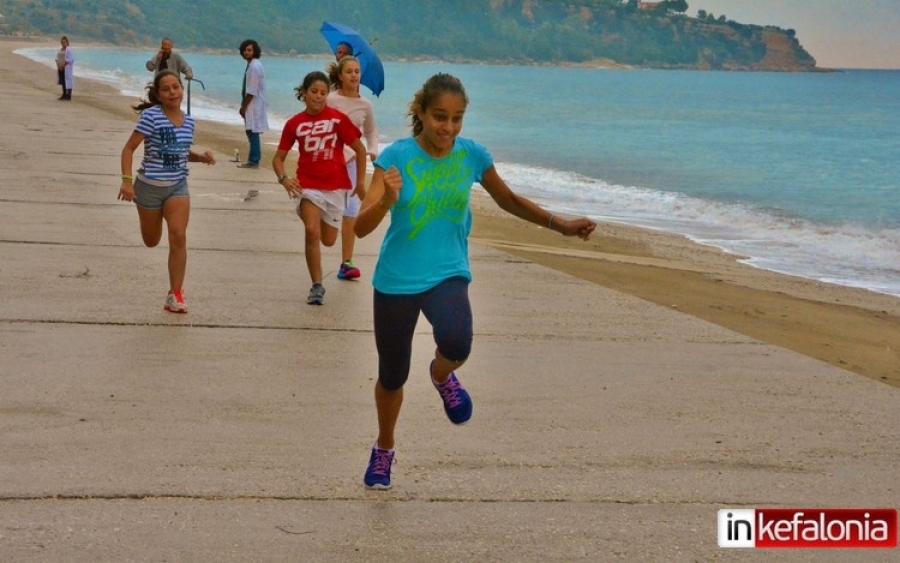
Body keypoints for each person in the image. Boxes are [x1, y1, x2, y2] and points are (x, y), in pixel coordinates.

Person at [354, 73, 597, 489]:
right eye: (439, 117)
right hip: (396, 279)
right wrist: (388, 200)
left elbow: (509, 200)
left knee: (457, 341)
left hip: (448, 270)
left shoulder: (471, 155)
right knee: (392, 375)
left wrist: (560, 225)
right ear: (421, 114)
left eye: (457, 118)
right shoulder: (395, 157)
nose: (448, 128)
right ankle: (385, 448)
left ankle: (442, 375)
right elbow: (360, 227)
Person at [118, 70, 216, 313]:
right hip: (148, 188)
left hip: (177, 187)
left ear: (182, 90)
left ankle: (175, 294)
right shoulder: (151, 117)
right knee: (152, 241)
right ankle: (173, 290)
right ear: (159, 95)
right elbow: (128, 149)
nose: (173, 92)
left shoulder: (189, 121)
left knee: (178, 235)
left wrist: (200, 157)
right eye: (166, 89)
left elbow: (181, 152)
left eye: (176, 87)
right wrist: (127, 182)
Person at [271, 71, 367, 306]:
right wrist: (284, 179)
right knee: (311, 231)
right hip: (308, 186)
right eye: (314, 91)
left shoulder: (338, 119)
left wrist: (361, 182)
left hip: (336, 187)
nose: (318, 97)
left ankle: (320, 277)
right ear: (304, 93)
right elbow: (278, 158)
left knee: (328, 240)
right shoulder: (294, 123)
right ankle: (316, 286)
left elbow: (360, 150)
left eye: (323, 93)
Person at [326, 55, 379, 281]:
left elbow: (370, 131)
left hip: (353, 163)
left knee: (351, 211)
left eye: (357, 71)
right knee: (326, 208)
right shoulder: (330, 99)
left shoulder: (365, 104)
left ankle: (346, 263)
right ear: (340, 75)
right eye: (349, 71)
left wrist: (373, 149)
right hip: (329, 161)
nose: (354, 75)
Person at [237, 39, 269, 168]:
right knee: (251, 131)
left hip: (253, 104)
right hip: (254, 103)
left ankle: (254, 160)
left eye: (249, 50)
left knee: (253, 131)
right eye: (245, 50)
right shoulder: (253, 65)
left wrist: (243, 107)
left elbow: (251, 90)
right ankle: (253, 158)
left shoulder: (254, 67)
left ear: (255, 51)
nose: (246, 52)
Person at [56, 36, 74, 101]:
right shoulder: (60, 49)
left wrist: (63, 66)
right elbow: (58, 58)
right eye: (61, 42)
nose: (63, 44)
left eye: (64, 42)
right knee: (63, 82)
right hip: (60, 68)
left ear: (67, 42)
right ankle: (63, 95)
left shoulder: (69, 49)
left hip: (66, 68)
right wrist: (59, 66)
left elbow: (69, 60)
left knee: (68, 82)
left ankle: (68, 96)